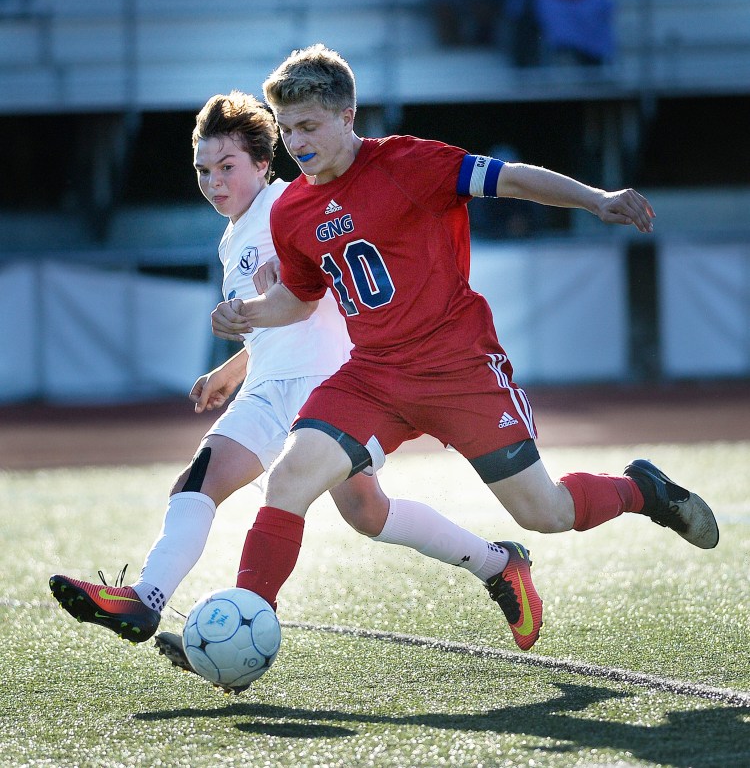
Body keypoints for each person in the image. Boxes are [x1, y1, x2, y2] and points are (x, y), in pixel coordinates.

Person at [210, 44, 719, 655]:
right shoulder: (292, 208)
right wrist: (248, 315)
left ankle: (644, 492)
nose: (296, 141)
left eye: (309, 126)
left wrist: (596, 199)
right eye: (287, 129)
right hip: (374, 375)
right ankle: (245, 621)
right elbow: (298, 298)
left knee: (546, 512)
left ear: (348, 116)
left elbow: (513, 180)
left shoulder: (411, 161)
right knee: (289, 479)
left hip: (461, 370)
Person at [49, 91, 536, 659]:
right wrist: (234, 367)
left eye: (227, 167)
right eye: (203, 170)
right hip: (266, 390)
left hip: (327, 390)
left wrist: (286, 275)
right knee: (200, 482)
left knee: (366, 512)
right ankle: (146, 599)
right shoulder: (234, 233)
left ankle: (500, 565)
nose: (214, 182)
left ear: (263, 163)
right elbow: (277, 319)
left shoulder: (290, 203)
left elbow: (320, 279)